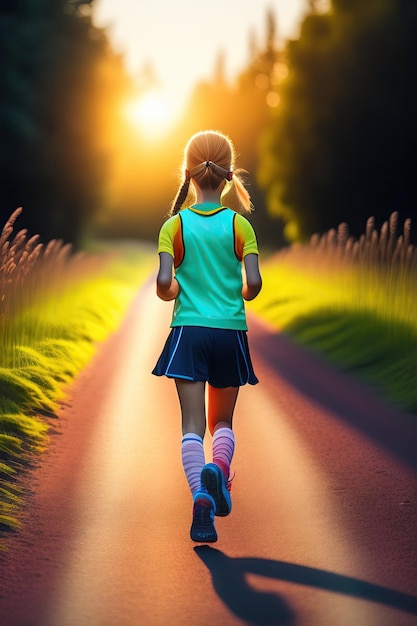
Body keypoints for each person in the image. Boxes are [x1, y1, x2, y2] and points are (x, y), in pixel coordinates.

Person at [152, 130, 262, 543]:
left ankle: (201, 494)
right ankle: (220, 469)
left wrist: (178, 288)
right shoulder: (240, 226)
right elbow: (253, 284)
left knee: (192, 425)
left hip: (189, 333)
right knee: (223, 420)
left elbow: (165, 283)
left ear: (188, 173)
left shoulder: (173, 226)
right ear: (230, 175)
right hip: (229, 332)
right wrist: (238, 289)